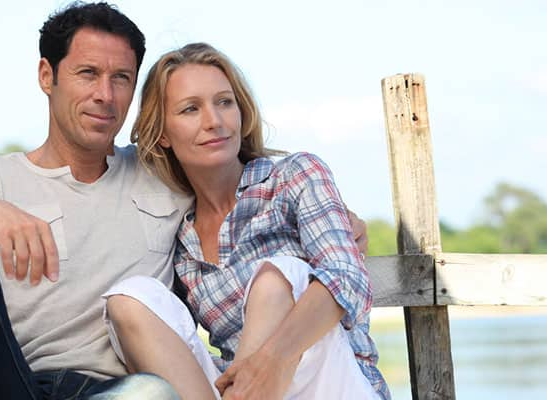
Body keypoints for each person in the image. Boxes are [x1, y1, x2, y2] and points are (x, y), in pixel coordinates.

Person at [0, 3, 369, 400]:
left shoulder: (161, 178)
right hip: (6, 379)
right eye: (87, 74)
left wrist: (334, 217)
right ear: (48, 76)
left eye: (120, 78)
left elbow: (229, 179)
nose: (104, 94)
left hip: (113, 389)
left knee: (150, 389)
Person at [102, 43, 391, 400]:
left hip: (331, 382)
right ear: (162, 134)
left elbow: (349, 279)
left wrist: (271, 361)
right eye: (191, 109)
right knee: (130, 298)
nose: (214, 121)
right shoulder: (179, 238)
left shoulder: (295, 176)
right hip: (238, 389)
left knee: (276, 277)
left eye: (224, 102)